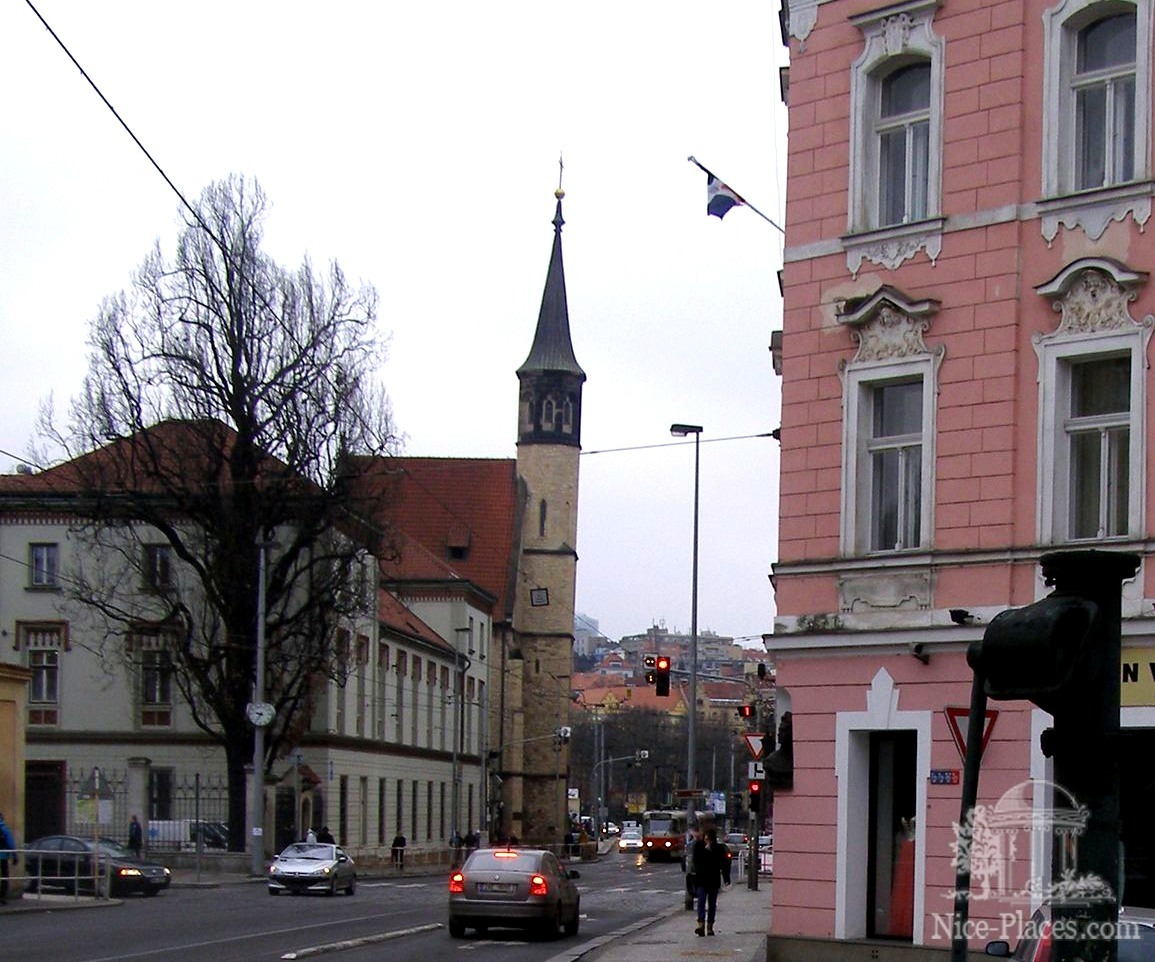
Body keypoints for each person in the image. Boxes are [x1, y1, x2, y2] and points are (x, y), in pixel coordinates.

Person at [692, 827, 730, 937]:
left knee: (712, 904)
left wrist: (726, 878)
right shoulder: (698, 847)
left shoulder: (718, 848)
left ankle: (710, 927)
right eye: (705, 838)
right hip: (701, 880)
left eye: (709, 838)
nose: (706, 840)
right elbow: (697, 862)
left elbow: (723, 863)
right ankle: (701, 925)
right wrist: (705, 851)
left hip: (713, 880)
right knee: (701, 902)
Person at [0, 812, 15, 905]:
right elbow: (10, 844)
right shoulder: (4, 829)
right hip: (3, 856)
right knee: (5, 876)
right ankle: (2, 897)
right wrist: (15, 856)